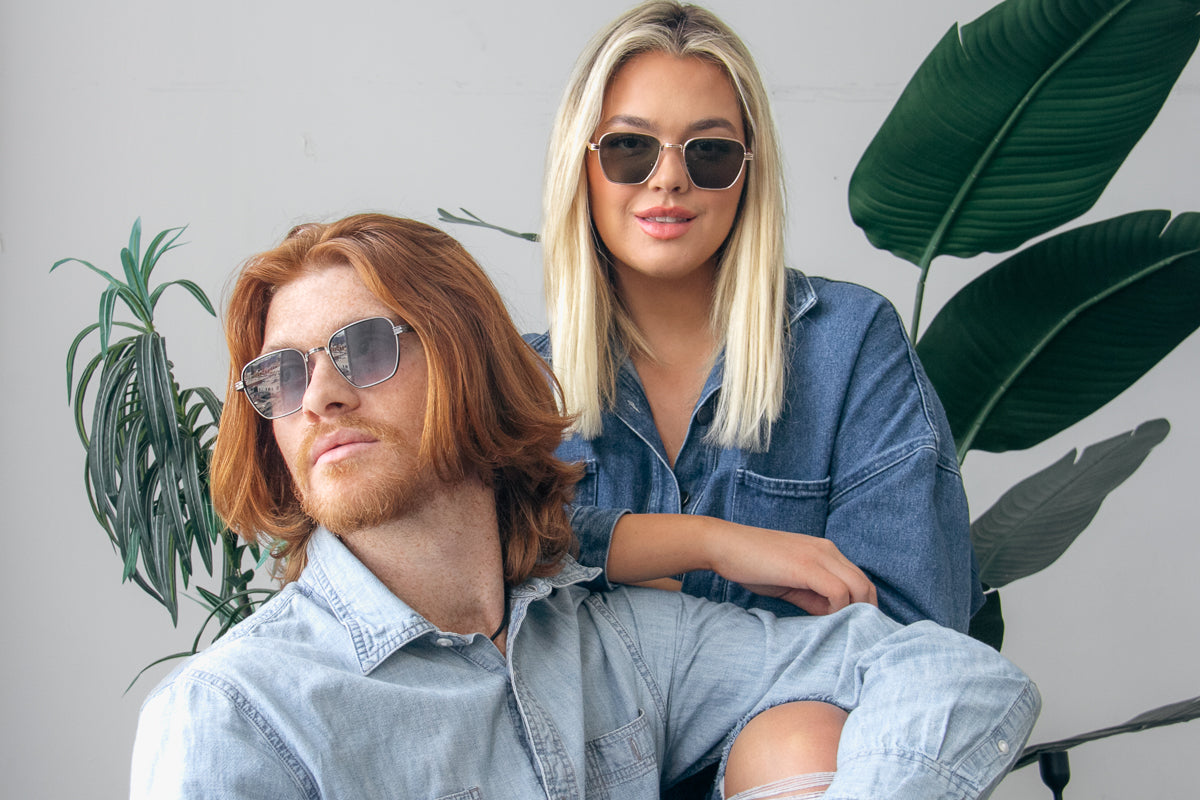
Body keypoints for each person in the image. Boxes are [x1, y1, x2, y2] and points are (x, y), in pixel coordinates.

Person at [129, 214, 1038, 798]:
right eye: (280, 377)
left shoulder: (612, 645)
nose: (320, 397)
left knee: (808, 736)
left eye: (362, 348)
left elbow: (944, 671)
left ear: (473, 365)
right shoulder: (234, 715)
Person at [531, 0, 980, 632]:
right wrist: (713, 545)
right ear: (580, 164)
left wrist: (626, 571)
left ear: (748, 170)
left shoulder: (850, 346)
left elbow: (909, 633)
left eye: (709, 151)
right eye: (630, 146)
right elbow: (475, 579)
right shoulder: (518, 385)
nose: (669, 178)